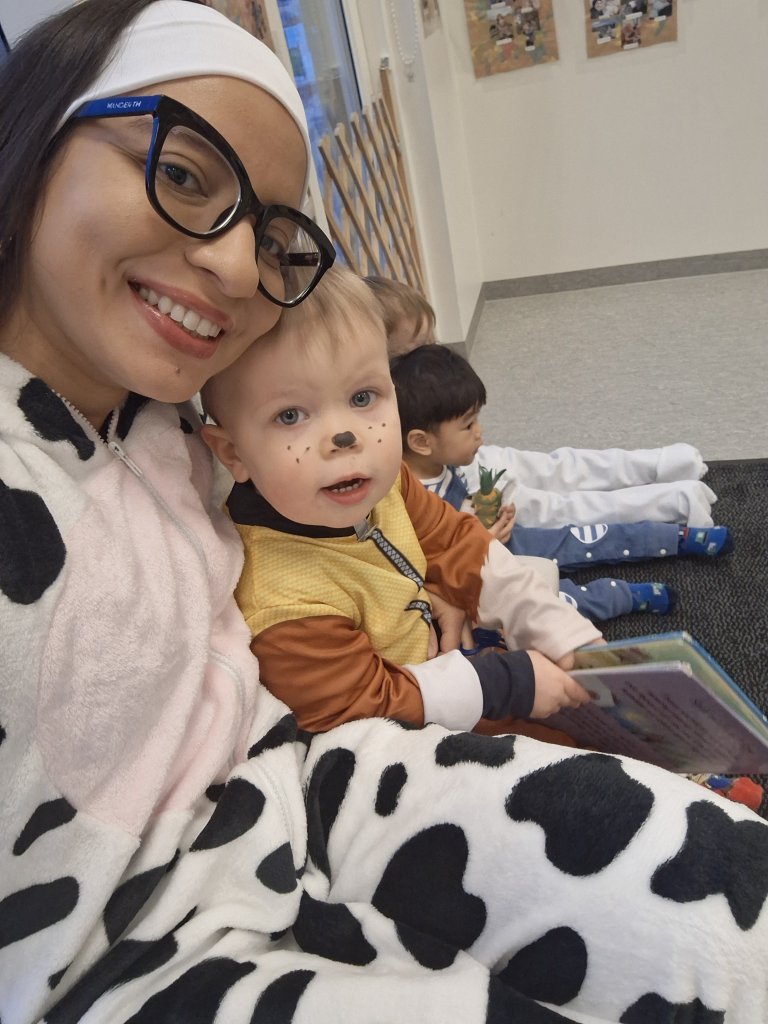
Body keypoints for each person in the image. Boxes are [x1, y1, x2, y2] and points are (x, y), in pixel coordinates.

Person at [3, 4, 768, 1024]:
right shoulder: (193, 483)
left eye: (269, 233)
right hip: (189, 903)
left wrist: (537, 625)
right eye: (182, 174)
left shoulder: (162, 415)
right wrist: (491, 672)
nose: (234, 268)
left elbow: (448, 536)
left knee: (720, 896)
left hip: (329, 784)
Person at [201, 263, 600, 734]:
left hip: (446, 670)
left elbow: (456, 543)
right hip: (417, 734)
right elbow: (361, 708)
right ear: (233, 454)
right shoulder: (283, 603)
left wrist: (549, 623)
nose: (345, 437)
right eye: (290, 415)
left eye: (363, 397)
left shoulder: (386, 484)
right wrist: (500, 682)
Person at [390, 343, 733, 624]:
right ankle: (622, 597)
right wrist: (483, 541)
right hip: (480, 574)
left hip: (501, 542)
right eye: (468, 426)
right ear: (421, 442)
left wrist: (489, 516)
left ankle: (676, 537)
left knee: (584, 535)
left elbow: (466, 512)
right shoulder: (407, 501)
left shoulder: (443, 464)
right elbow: (432, 570)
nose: (479, 433)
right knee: (550, 601)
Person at [366, 275, 719, 527]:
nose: (432, 357)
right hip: (465, 495)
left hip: (468, 461)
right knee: (562, 509)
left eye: (433, 342)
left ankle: (658, 465)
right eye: (415, 352)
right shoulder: (375, 420)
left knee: (557, 467)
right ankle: (673, 502)